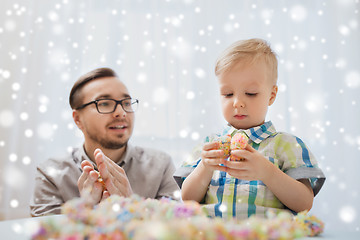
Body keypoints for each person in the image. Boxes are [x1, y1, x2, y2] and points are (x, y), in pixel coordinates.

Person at [175, 39, 325, 219]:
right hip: (214, 232)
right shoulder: (209, 146)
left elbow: (304, 204)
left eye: (251, 93)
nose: (237, 102)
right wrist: (205, 167)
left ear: (271, 95)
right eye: (228, 94)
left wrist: (267, 172)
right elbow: (188, 200)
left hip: (266, 232)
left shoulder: (286, 145)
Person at [30, 67, 180, 217]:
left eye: (127, 103)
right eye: (104, 103)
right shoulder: (51, 174)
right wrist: (85, 213)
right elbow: (45, 234)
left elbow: (176, 228)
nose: (121, 112)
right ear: (78, 119)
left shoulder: (161, 166)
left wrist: (132, 207)